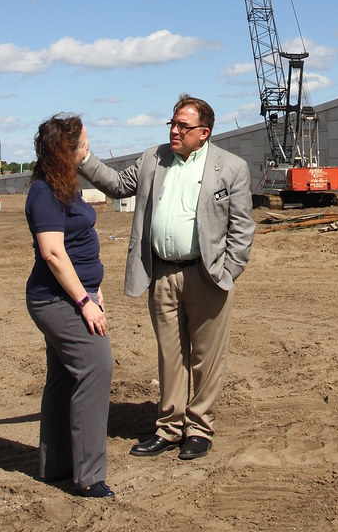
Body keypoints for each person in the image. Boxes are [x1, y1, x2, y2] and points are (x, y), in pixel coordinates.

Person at [79, 93, 255, 461]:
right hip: (161, 275)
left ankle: (199, 430)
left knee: (206, 358)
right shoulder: (153, 159)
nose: (174, 131)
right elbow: (115, 184)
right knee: (170, 356)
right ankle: (169, 427)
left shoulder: (232, 168)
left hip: (207, 277)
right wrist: (83, 157)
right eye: (172, 124)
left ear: (204, 132)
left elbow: (242, 228)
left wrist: (228, 272)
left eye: (183, 126)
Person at [25, 114, 115, 499]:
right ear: (66, 151)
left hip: (77, 295)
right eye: (84, 145)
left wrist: (96, 293)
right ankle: (89, 475)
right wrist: (84, 302)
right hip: (56, 298)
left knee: (64, 376)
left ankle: (57, 464)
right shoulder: (45, 191)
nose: (88, 150)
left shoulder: (64, 186)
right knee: (96, 367)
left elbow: (78, 250)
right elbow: (53, 253)